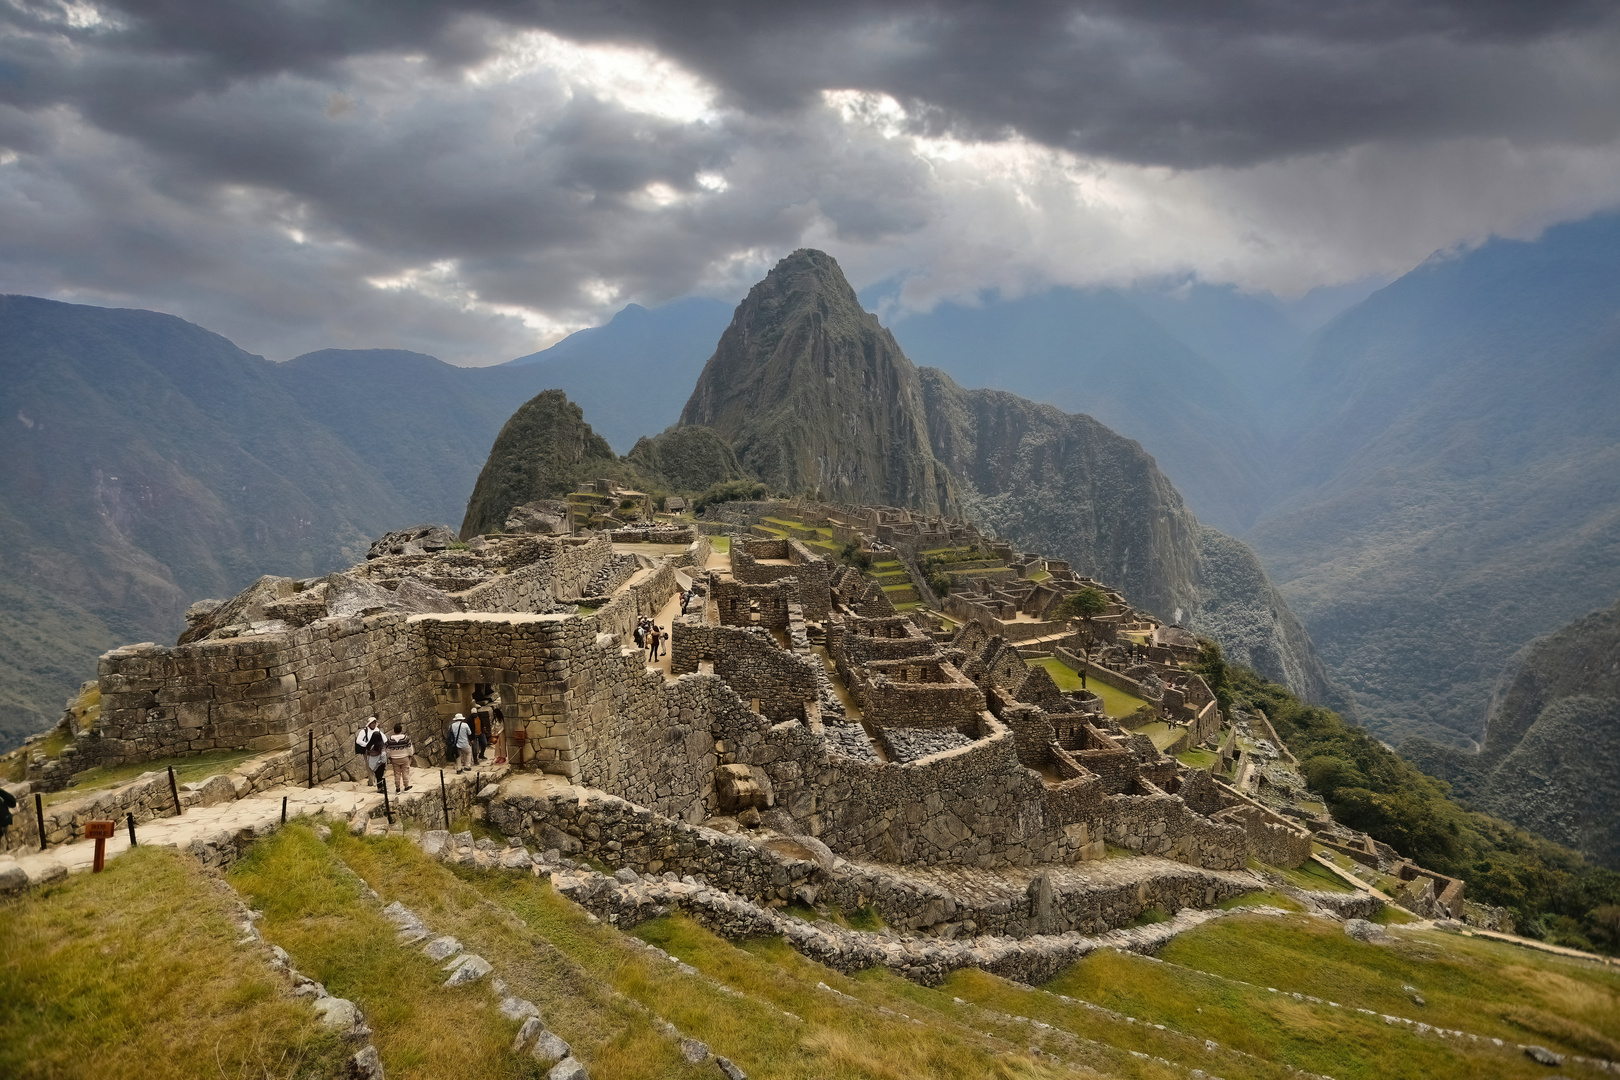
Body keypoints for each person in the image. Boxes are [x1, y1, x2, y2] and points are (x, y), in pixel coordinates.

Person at [383, 723, 414, 793]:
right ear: (401, 730)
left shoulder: (390, 739)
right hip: (404, 757)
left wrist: (389, 757)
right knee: (405, 772)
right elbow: (410, 748)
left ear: (394, 731)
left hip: (394, 759)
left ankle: (397, 788)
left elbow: (387, 750)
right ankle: (406, 786)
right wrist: (410, 755)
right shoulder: (405, 738)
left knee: (396, 773)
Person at [361, 716, 386, 793]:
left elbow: (368, 753)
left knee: (377, 775)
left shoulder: (369, 746)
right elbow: (383, 755)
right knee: (380, 775)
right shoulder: (381, 746)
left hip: (372, 762)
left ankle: (379, 787)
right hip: (379, 762)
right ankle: (380, 788)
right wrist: (383, 761)